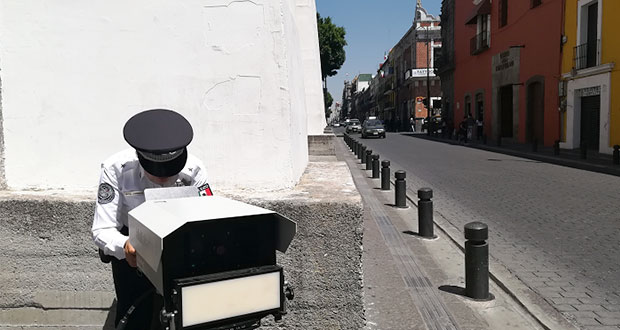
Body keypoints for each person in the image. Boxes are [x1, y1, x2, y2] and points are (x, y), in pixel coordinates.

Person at [92, 109, 212, 330]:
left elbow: (208, 218)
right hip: (133, 249)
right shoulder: (116, 168)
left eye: (171, 171)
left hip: (180, 245)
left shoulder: (195, 169)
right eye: (156, 173)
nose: (164, 178)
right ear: (140, 156)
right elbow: (102, 229)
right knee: (134, 318)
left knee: (190, 316)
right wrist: (124, 246)